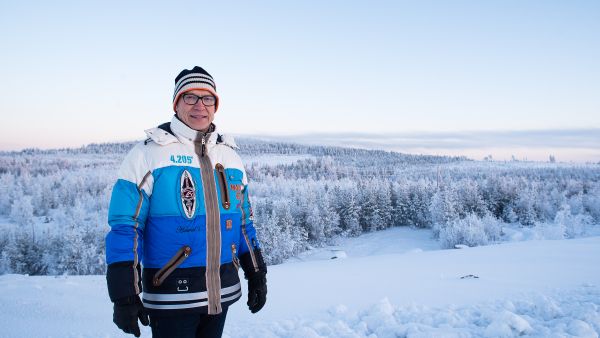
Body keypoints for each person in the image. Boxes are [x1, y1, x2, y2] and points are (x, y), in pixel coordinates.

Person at [105, 66, 267, 338]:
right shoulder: (149, 154)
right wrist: (124, 295)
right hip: (170, 297)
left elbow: (243, 223)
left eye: (207, 98)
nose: (199, 106)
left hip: (221, 293)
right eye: (190, 97)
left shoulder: (230, 158)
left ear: (216, 105)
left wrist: (256, 273)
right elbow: (125, 227)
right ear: (176, 103)